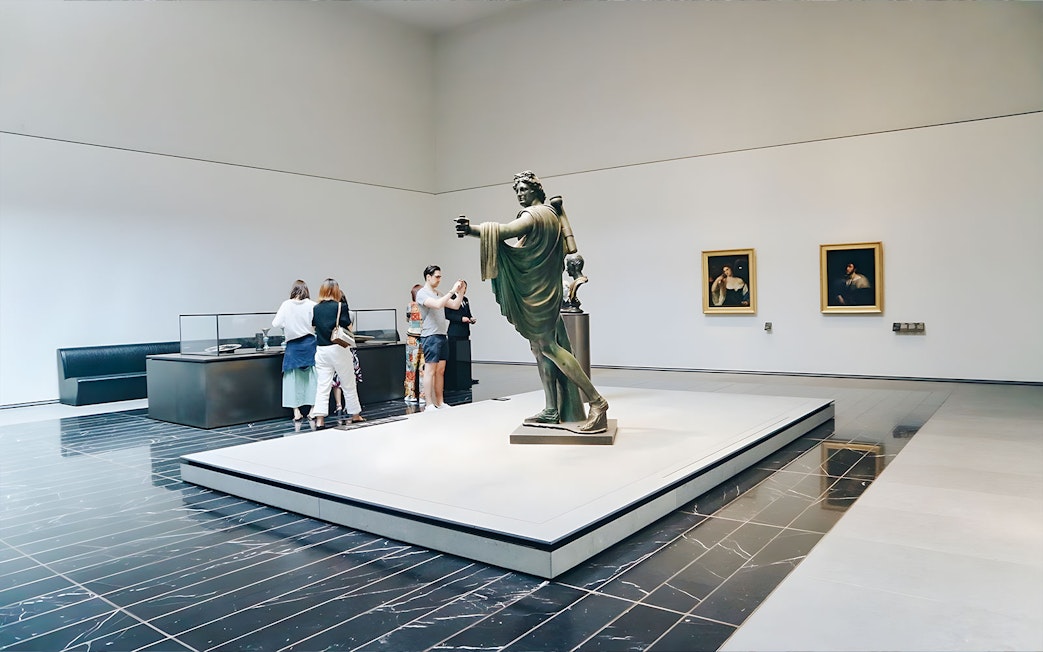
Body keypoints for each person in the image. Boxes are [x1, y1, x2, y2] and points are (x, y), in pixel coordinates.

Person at [455, 171, 609, 432]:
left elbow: (504, 231)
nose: (520, 194)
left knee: (549, 347)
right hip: (544, 289)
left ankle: (597, 401)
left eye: (524, 189)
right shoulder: (551, 215)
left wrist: (471, 229)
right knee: (539, 349)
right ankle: (551, 408)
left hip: (540, 294)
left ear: (537, 190)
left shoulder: (536, 215)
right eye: (517, 190)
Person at [310, 278, 363, 429]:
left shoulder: (316, 308)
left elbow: (314, 326)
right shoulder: (341, 306)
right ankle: (355, 414)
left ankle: (320, 419)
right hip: (338, 348)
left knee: (323, 385)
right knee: (348, 382)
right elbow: (348, 326)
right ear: (336, 291)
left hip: (321, 350)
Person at [416, 265, 464, 410]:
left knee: (440, 370)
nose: (439, 279)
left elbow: (455, 305)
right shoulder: (422, 293)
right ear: (428, 277)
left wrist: (460, 292)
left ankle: (440, 402)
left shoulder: (438, 293)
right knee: (430, 370)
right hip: (430, 336)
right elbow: (437, 305)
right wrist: (452, 291)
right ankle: (429, 403)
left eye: (440, 277)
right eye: (437, 276)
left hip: (442, 335)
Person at [271, 280, 317, 423]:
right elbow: (317, 323)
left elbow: (275, 323)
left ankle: (296, 412)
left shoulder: (286, 304)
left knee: (292, 380)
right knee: (313, 379)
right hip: (310, 344)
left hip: (293, 346)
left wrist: (288, 324)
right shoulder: (312, 305)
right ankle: (313, 410)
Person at [444, 280, 478, 389]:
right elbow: (448, 315)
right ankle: (453, 379)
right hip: (454, 331)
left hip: (464, 331)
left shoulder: (466, 300)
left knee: (464, 356)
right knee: (454, 357)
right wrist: (460, 319)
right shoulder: (450, 299)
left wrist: (471, 318)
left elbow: (468, 313)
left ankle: (465, 377)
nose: (464, 290)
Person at [404, 284, 426, 404]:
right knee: (423, 368)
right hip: (423, 337)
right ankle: (423, 395)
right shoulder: (425, 306)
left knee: (410, 367)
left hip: (412, 338)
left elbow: (407, 319)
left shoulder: (409, 306)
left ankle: (410, 394)